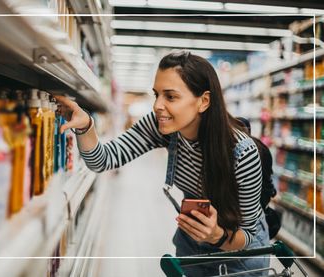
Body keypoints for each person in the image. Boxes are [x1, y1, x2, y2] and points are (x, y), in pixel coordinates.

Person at [54, 51, 270, 276]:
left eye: (171, 96)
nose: (157, 105)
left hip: (238, 255)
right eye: (156, 94)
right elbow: (102, 160)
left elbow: (247, 235)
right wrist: (85, 125)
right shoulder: (160, 125)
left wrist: (215, 235)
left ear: (204, 101)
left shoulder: (242, 153)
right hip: (192, 243)